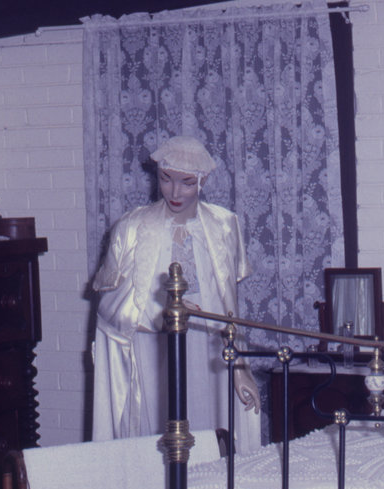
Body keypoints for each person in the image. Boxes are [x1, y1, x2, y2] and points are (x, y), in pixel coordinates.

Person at [91, 135, 261, 452]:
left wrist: (240, 368)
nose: (175, 192)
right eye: (166, 180)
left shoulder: (225, 225)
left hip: (209, 352)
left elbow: (230, 307)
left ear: (203, 180)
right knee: (158, 438)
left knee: (213, 434)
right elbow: (108, 309)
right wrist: (159, 317)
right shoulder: (131, 227)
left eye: (187, 183)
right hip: (152, 352)